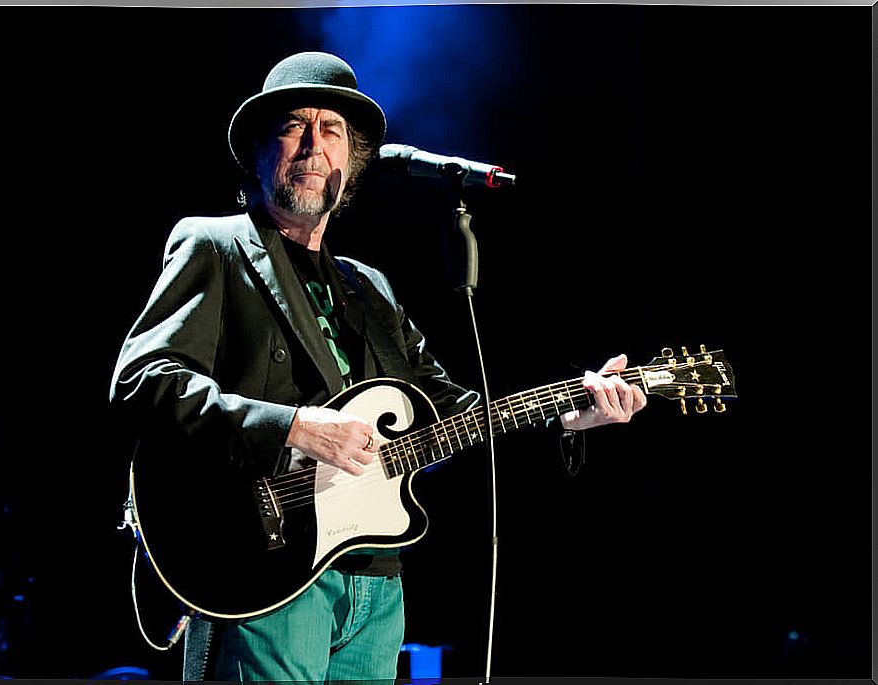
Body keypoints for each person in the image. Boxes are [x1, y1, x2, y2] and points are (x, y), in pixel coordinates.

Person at [109, 51, 647, 682]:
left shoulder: (370, 289)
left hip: (375, 583)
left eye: (331, 130)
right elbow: (145, 380)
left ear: (352, 160)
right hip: (263, 572)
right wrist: (295, 426)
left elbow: (459, 414)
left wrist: (569, 414)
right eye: (293, 127)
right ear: (259, 150)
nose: (313, 145)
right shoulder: (214, 244)